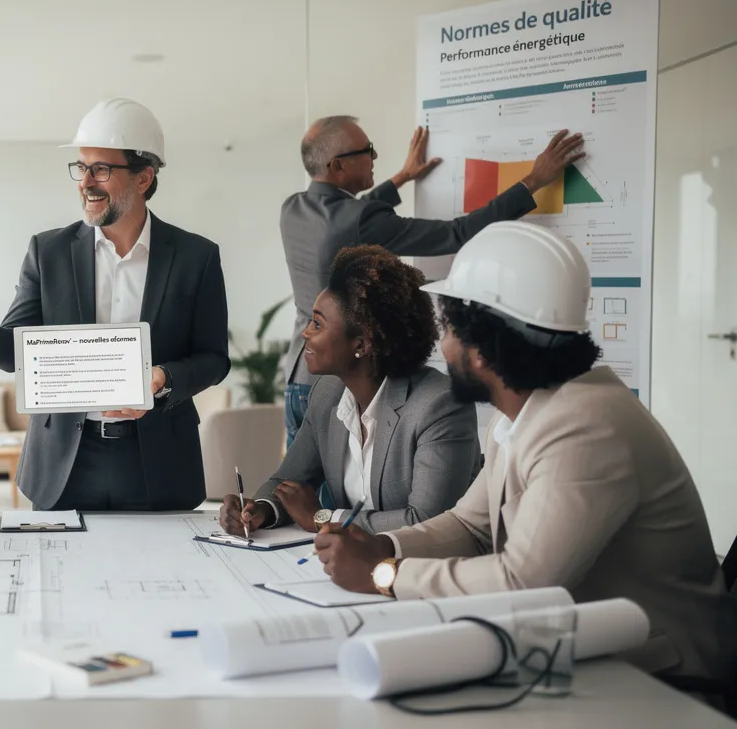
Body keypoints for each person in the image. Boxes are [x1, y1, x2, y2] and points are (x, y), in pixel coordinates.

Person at [313, 222, 736, 682]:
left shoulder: (586, 425)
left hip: (664, 674)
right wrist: (385, 544)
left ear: (480, 348)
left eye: (448, 329)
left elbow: (524, 582)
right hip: (589, 641)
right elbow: (469, 525)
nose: (443, 345)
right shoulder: (527, 408)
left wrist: (388, 574)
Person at [0, 98, 230, 511]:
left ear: (144, 178)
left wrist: (163, 377)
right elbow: (16, 353)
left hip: (160, 462)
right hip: (65, 463)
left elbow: (213, 358)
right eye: (81, 168)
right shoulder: (48, 252)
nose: (85, 181)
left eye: (101, 169)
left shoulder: (196, 256)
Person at [279, 116, 586, 449]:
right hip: (339, 384)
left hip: (299, 374)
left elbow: (349, 217)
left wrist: (400, 179)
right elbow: (458, 234)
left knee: (299, 489)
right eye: (367, 150)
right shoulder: (360, 220)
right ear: (338, 165)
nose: (375, 157)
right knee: (333, 496)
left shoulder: (293, 208)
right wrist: (534, 181)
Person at [219, 246, 478, 537]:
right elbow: (287, 481)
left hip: (422, 570)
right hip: (347, 568)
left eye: (317, 323)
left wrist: (322, 519)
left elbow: (427, 521)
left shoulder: (439, 404)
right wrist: (260, 511)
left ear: (361, 344)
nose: (306, 333)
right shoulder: (327, 394)